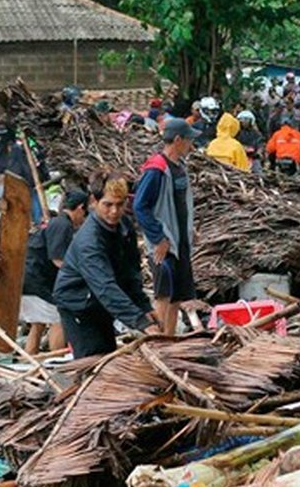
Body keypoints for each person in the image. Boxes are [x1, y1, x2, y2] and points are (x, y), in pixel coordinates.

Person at [55, 173, 153, 356]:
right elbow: (105, 286)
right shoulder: (89, 240)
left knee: (107, 354)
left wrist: (145, 307)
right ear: (94, 201)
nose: (114, 211)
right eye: (108, 205)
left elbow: (131, 272)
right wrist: (141, 322)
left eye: (120, 204)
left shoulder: (124, 226)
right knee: (91, 360)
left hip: (100, 303)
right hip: (78, 304)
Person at [134, 119, 198, 336]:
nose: (191, 145)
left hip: (180, 242)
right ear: (178, 140)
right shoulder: (156, 170)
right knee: (163, 295)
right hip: (165, 245)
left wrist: (189, 230)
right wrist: (158, 238)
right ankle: (159, 342)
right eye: (189, 140)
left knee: (177, 296)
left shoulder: (180, 168)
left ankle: (169, 339)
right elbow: (140, 206)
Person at [21, 190, 88, 354]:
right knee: (59, 318)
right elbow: (57, 259)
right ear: (80, 208)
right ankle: (56, 360)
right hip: (36, 281)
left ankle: (31, 359)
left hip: (27, 279)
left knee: (38, 324)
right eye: (85, 213)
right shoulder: (62, 224)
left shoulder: (56, 223)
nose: (84, 219)